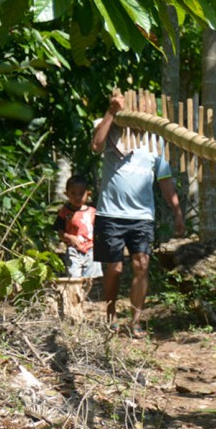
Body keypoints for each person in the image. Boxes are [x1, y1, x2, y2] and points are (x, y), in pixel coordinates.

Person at [91, 90, 185, 338]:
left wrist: (177, 212)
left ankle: (135, 321)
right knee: (114, 268)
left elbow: (165, 180)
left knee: (141, 264)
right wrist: (111, 112)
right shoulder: (109, 128)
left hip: (142, 216)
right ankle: (110, 317)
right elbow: (95, 145)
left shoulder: (156, 142)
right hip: (109, 214)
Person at [53, 175, 103, 279]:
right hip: (73, 250)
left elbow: (99, 230)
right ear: (67, 194)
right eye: (73, 193)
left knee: (90, 278)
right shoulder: (64, 212)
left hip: (91, 250)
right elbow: (60, 232)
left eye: (81, 193)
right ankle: (75, 294)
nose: (77, 197)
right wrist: (70, 237)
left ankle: (86, 295)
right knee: (73, 277)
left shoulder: (93, 212)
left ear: (88, 194)